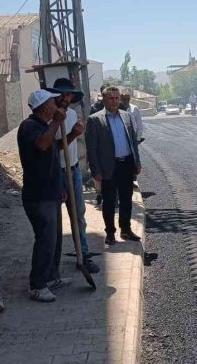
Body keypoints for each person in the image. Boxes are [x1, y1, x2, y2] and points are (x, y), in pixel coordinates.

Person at [17, 88, 67, 303]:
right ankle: (37, 286)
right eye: (53, 104)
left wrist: (61, 187)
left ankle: (51, 276)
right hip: (38, 195)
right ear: (45, 107)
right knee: (45, 239)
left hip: (51, 192)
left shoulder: (43, 126)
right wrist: (56, 122)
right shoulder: (29, 127)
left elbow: (53, 153)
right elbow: (43, 144)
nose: (56, 107)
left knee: (55, 238)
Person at [52, 77, 100, 275]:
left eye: (68, 94)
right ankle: (51, 266)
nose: (65, 97)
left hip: (73, 171)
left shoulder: (71, 114)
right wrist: (72, 134)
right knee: (54, 223)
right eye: (61, 93)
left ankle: (84, 254)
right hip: (55, 173)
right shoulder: (49, 116)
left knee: (78, 216)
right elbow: (51, 149)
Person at [86, 86, 141, 245]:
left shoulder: (127, 117)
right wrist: (95, 170)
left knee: (126, 200)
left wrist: (137, 161)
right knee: (109, 202)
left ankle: (126, 229)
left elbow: (133, 142)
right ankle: (110, 233)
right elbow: (92, 148)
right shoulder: (95, 120)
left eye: (117, 98)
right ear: (103, 99)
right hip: (108, 167)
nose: (115, 101)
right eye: (111, 98)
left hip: (126, 164)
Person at [90, 83, 110, 204]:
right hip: (99, 145)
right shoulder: (95, 108)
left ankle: (114, 197)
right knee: (98, 171)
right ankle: (99, 193)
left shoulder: (117, 107)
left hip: (112, 147)